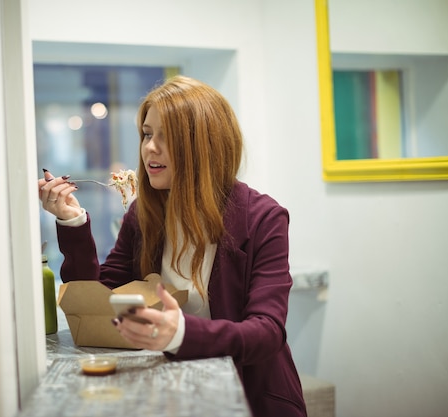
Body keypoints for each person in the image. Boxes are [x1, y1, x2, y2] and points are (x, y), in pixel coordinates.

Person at [38, 75, 307, 417]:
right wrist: (72, 222)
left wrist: (179, 332)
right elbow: (99, 298)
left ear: (206, 144)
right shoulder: (143, 214)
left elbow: (266, 332)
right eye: (147, 134)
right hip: (169, 389)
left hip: (250, 396)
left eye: (167, 136)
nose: (150, 148)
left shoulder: (263, 218)